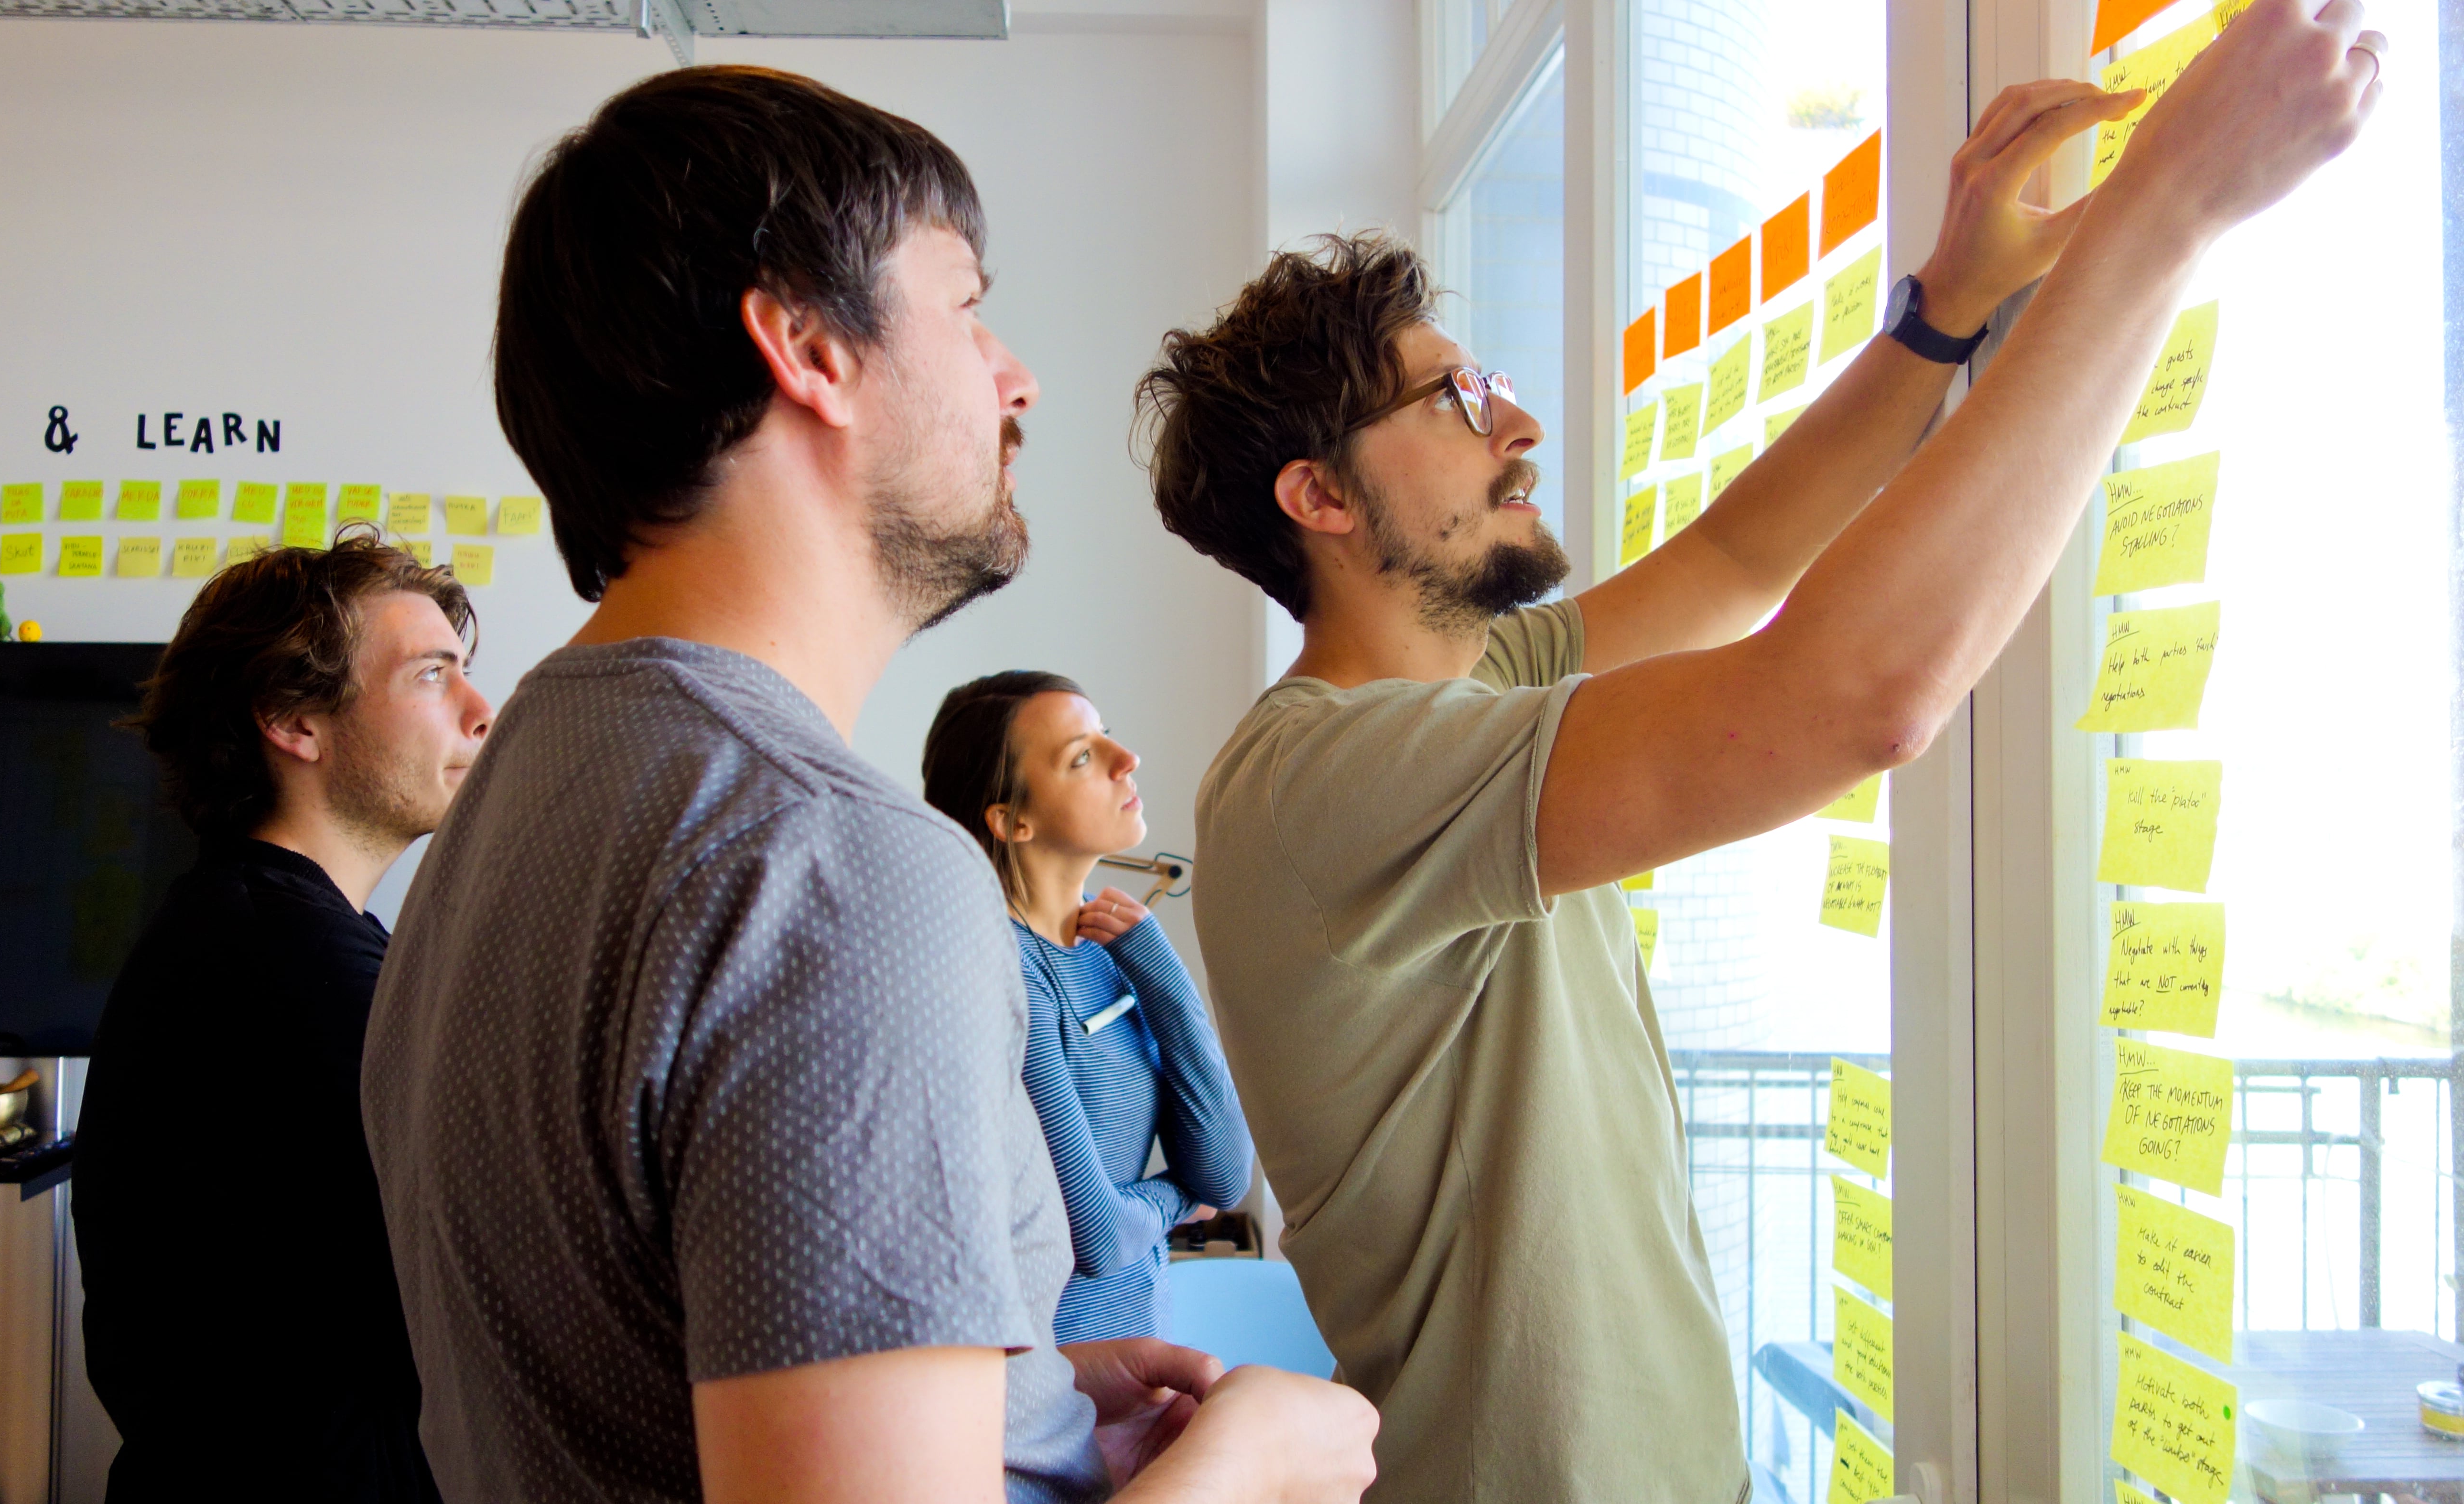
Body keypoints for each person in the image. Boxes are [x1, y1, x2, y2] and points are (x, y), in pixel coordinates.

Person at [1134, 3, 2384, 1497]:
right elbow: (1855, 696)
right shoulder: (1314, 782)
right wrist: (2169, 212)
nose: (1515, 420)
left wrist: (1946, 310)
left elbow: (1742, 553)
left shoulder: (1485, 678)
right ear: (1321, 499)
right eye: (1457, 397)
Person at [359, 65, 1376, 1504]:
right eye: (966, 308)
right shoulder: (832, 863)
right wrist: (1257, 1468)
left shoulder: (522, 786)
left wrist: (1011, 1392)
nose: (1014, 375)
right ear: (808, 350)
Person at [74, 529, 490, 1503]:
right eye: (434, 676)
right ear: (294, 720)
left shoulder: (258, 927)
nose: (482, 711)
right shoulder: (285, 961)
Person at [922, 672, 1254, 1343]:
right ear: (1013, 820)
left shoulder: (1114, 952)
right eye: (1082, 757)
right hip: (1063, 1384)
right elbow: (1097, 1236)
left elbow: (1228, 1171)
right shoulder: (1007, 975)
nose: (1125, 759)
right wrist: (1181, 1198)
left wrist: (1161, 973)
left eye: (1106, 735)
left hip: (1144, 1353)